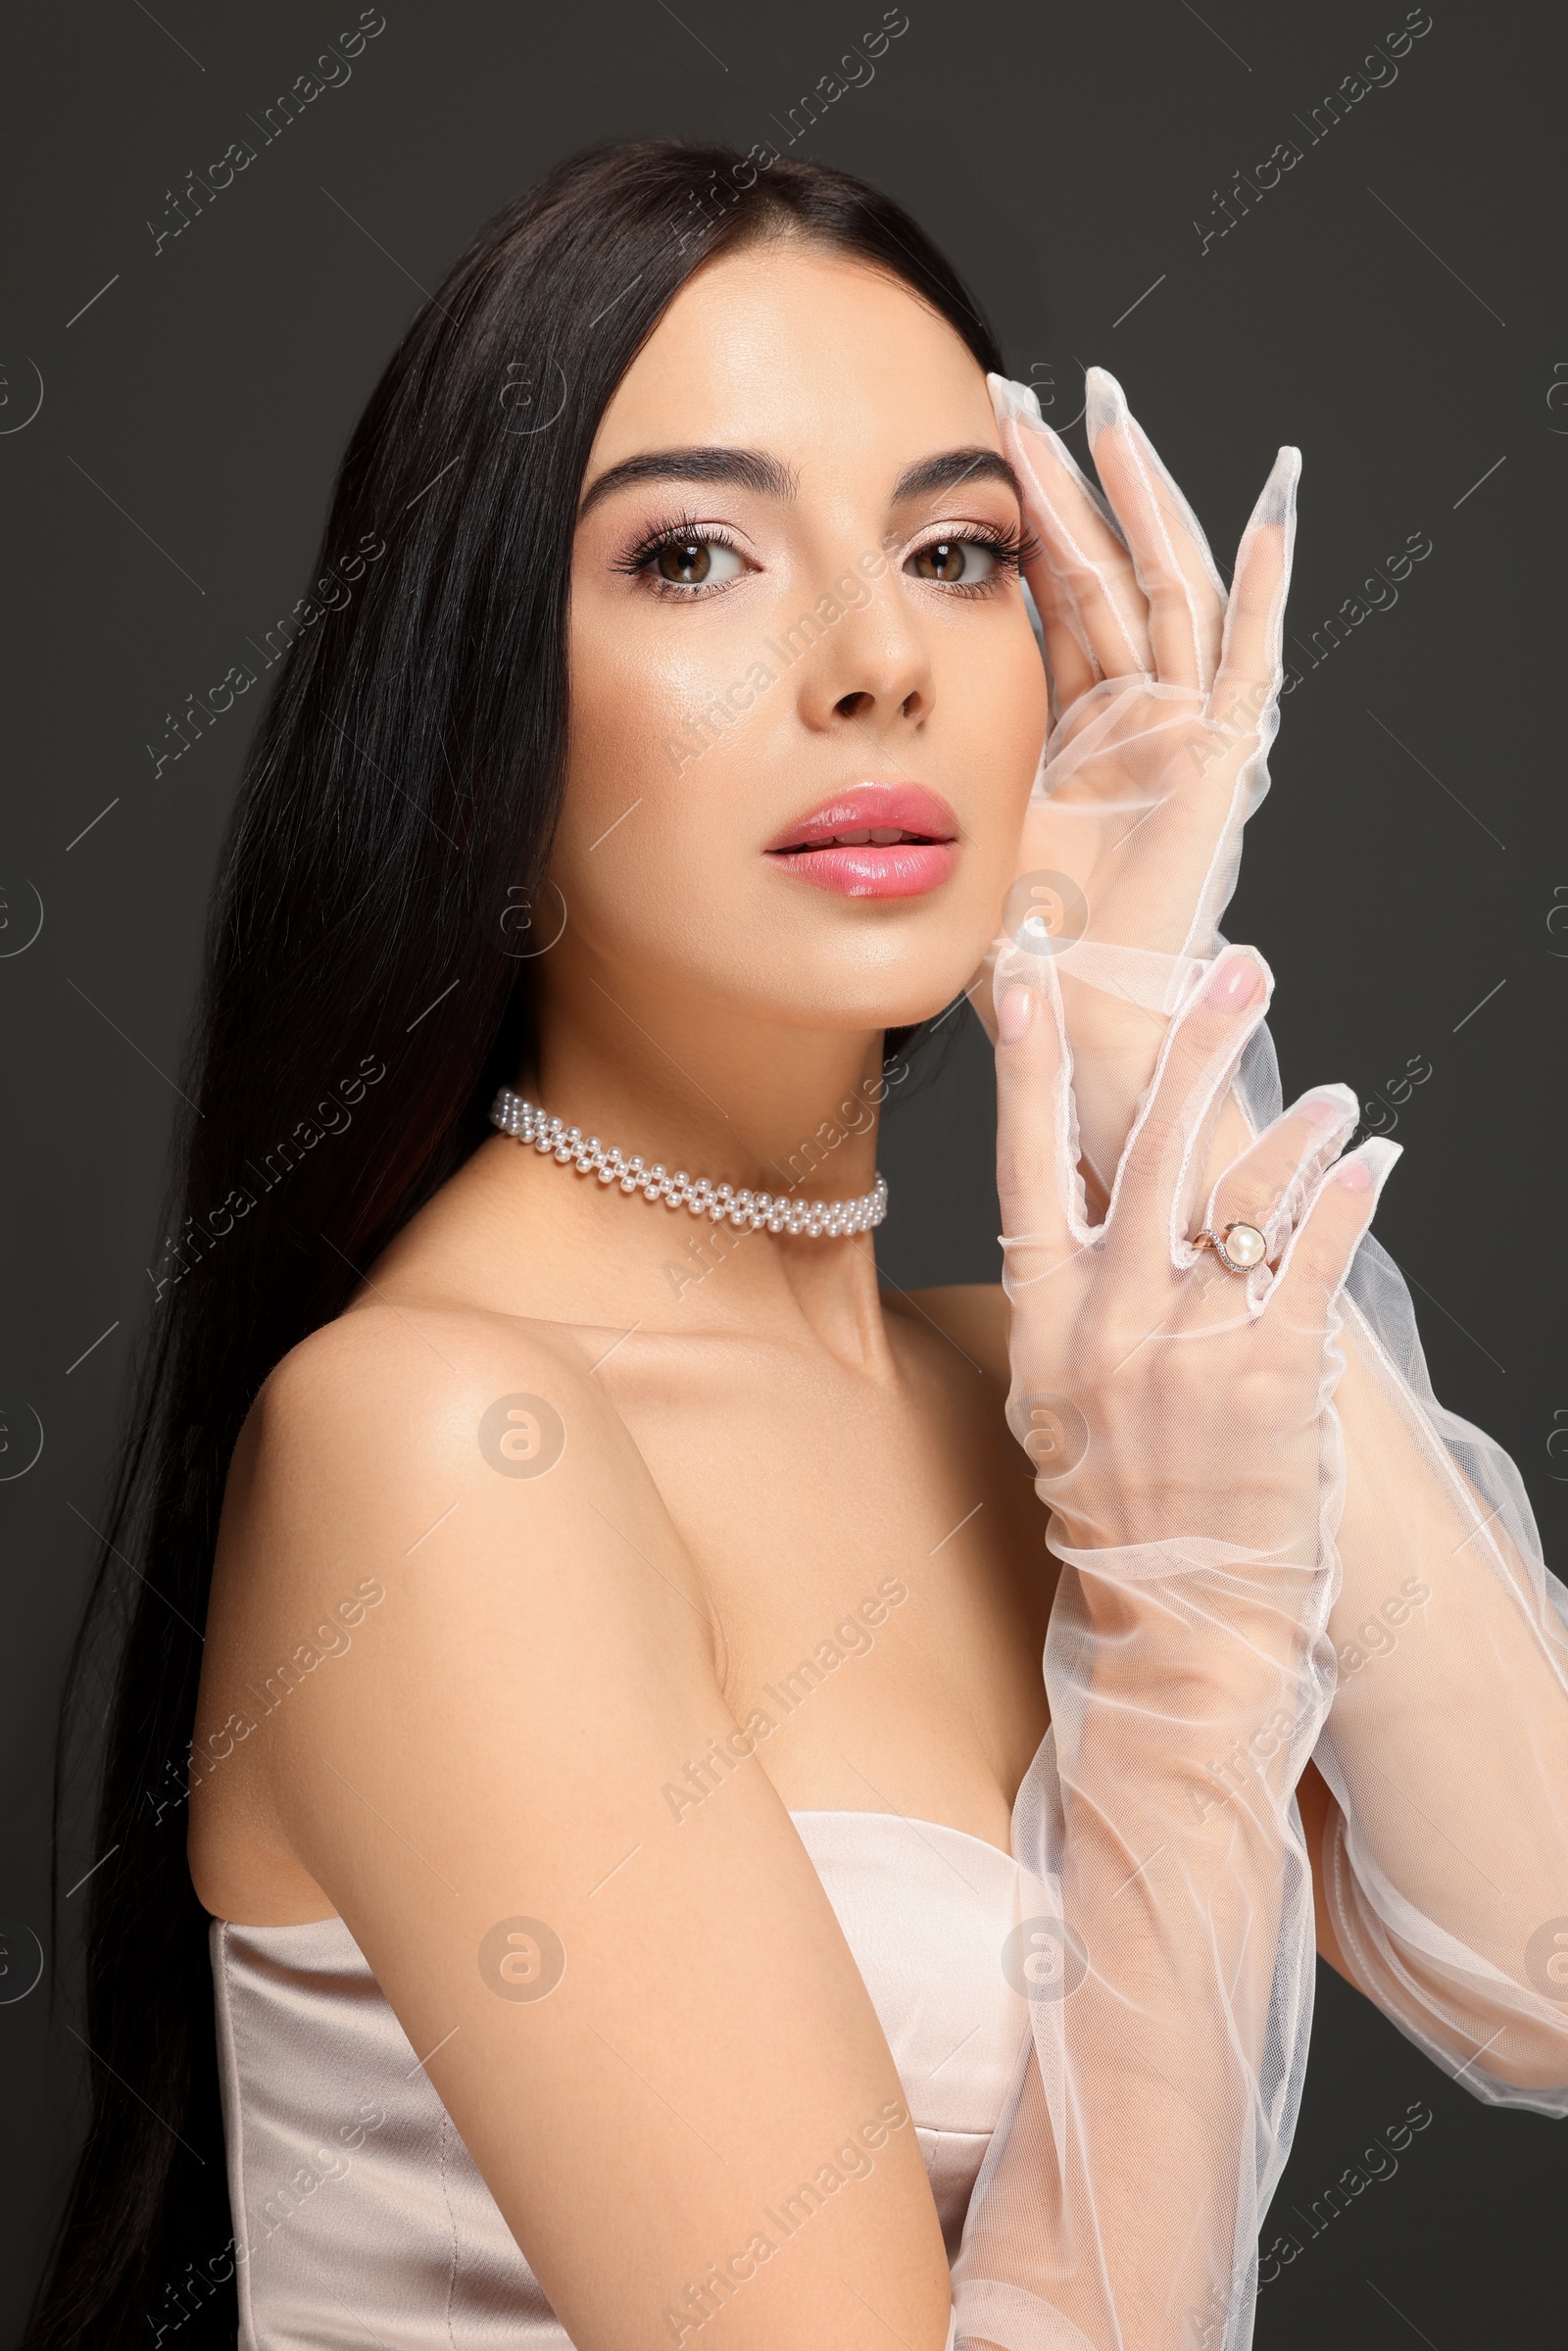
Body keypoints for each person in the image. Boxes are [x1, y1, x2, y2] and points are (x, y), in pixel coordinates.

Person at [29, 140, 1567, 2351]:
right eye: (690, 555)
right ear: (477, 684)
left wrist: (1133, 1033)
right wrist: (1185, 1664)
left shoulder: (1062, 1419)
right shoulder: (441, 1447)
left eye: (954, 552)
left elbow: (1531, 1965)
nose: (873, 663)